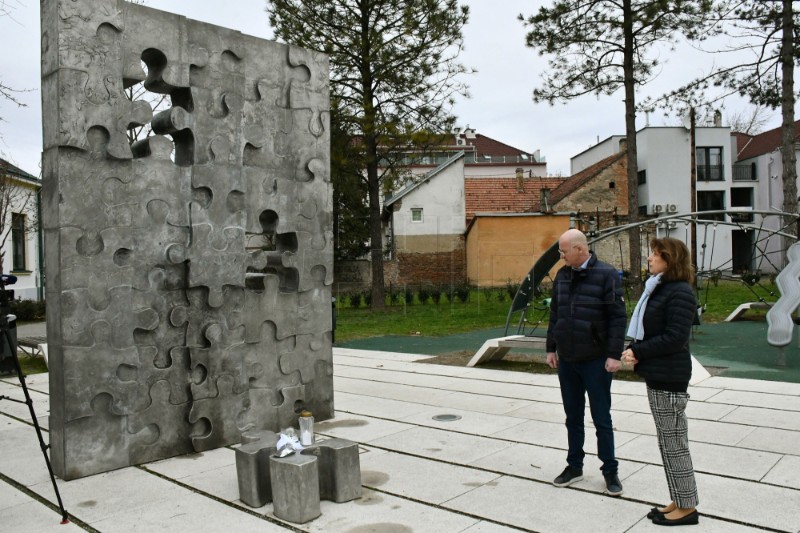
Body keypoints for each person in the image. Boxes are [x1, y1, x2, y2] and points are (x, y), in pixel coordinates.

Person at [621, 237, 700, 527]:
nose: (650, 258)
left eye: (655, 254)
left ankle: (688, 508)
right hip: (659, 373)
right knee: (668, 443)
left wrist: (638, 350)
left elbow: (675, 338)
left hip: (670, 376)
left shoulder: (679, 292)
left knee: (674, 443)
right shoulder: (660, 288)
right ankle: (679, 499)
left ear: (670, 259)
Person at [546, 229, 627, 496]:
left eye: (564, 251)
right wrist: (551, 348)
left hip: (595, 361)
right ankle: (574, 466)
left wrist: (614, 354)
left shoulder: (606, 275)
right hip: (568, 360)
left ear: (580, 249)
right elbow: (555, 314)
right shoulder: (562, 276)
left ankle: (610, 470)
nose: (561, 256)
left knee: (601, 417)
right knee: (573, 417)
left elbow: (617, 318)